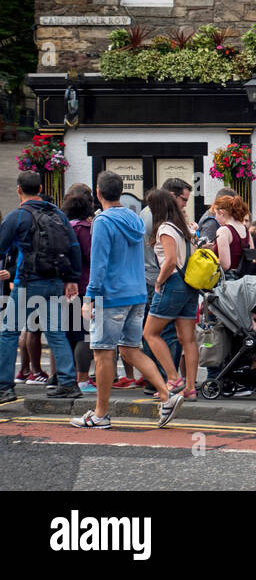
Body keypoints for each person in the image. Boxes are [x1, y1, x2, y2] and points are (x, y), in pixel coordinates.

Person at [72, 171, 182, 429]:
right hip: (137, 293)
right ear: (120, 192)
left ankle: (100, 414)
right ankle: (167, 396)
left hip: (111, 296)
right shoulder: (134, 218)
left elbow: (99, 263)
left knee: (102, 354)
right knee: (131, 350)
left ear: (98, 194)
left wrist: (89, 298)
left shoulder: (102, 222)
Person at [0, 170, 83, 400]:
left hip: (27, 282)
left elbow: (1, 246)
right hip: (56, 281)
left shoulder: (17, 216)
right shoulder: (57, 213)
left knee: (9, 333)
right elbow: (73, 247)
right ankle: (68, 383)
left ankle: (4, 387)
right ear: (39, 189)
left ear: (19, 190)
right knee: (56, 333)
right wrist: (71, 279)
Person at [141, 187, 200, 399]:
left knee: (149, 333)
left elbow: (171, 260)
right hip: (190, 284)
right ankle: (190, 388)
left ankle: (173, 378)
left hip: (172, 283)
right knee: (188, 339)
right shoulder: (183, 227)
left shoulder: (165, 228)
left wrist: (158, 281)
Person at [62, 185, 96, 394]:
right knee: (85, 335)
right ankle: (83, 378)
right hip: (84, 286)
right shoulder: (83, 229)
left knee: (68, 334)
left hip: (65, 286)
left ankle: (65, 376)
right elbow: (93, 257)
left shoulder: (64, 225)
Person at [213, 194, 256, 278]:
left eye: (216, 214)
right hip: (246, 281)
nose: (215, 218)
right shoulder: (245, 230)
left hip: (230, 281)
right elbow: (252, 256)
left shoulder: (223, 230)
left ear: (221, 213)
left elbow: (225, 265)